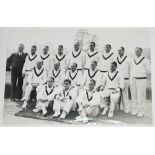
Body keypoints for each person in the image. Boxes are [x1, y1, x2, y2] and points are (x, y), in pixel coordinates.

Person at [130, 47, 151, 117]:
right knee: (134, 95)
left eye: (138, 51)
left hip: (142, 79)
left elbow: (149, 71)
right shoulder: (132, 60)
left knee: (141, 96)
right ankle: (135, 109)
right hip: (133, 79)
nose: (136, 52)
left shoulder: (145, 60)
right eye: (135, 51)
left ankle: (141, 111)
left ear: (141, 52)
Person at [116, 46, 132, 113]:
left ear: (123, 51)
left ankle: (126, 109)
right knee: (116, 94)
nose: (119, 52)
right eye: (118, 50)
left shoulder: (128, 59)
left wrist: (130, 79)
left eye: (120, 50)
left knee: (125, 95)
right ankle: (116, 109)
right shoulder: (116, 58)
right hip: (117, 80)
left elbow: (131, 69)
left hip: (125, 79)